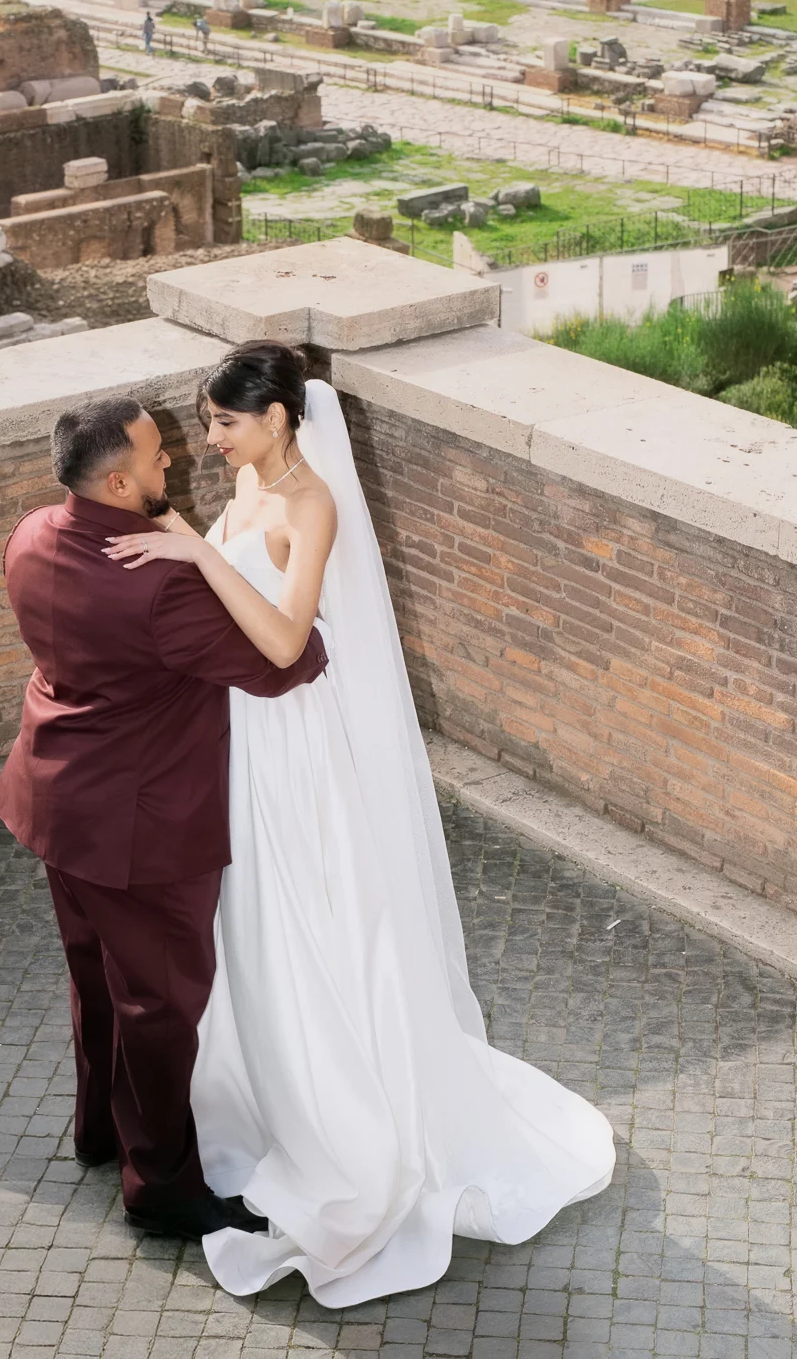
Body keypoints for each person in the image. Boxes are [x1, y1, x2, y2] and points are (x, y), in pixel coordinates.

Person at [104, 343, 616, 1306]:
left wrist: (192, 555)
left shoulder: (310, 504)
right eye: (207, 421)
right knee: (250, 918)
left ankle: (346, 1122)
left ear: (279, 419)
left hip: (291, 734)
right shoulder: (251, 487)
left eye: (224, 422)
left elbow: (288, 638)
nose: (210, 439)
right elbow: (225, 588)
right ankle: (265, 1091)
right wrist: (178, 535)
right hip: (240, 727)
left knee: (309, 909)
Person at [0, 395, 329, 1240]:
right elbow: (286, 666)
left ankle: (99, 1132)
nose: (172, 461)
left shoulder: (31, 534)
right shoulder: (159, 591)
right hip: (142, 829)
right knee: (159, 1006)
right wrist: (218, 570)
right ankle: (162, 1187)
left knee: (95, 981)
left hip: (54, 801)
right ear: (115, 479)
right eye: (153, 458)